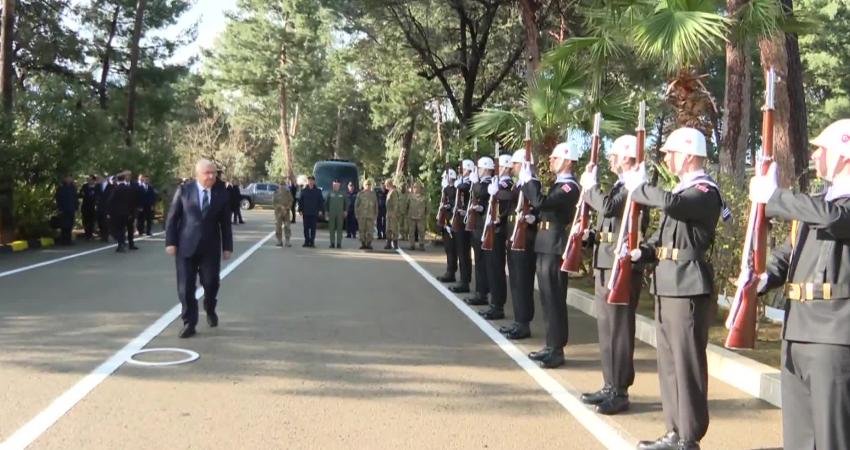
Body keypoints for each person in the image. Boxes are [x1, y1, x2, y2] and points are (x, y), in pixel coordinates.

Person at [752, 119, 850, 450]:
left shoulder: (832, 207)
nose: (815, 155)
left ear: (844, 155)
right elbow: (792, 250)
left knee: (831, 437)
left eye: (823, 149)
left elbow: (832, 219)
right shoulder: (820, 201)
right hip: (798, 329)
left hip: (833, 334)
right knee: (799, 436)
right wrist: (765, 277)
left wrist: (776, 196)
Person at [623, 128, 723, 450]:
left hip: (688, 284)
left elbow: (672, 205)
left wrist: (639, 187)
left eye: (671, 153)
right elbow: (665, 233)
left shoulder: (705, 191)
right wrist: (645, 251)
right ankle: (674, 431)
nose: (666, 158)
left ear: (690, 154)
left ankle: (689, 436)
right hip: (667, 282)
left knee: (686, 364)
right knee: (668, 363)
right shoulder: (682, 190)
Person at [579, 135, 646, 416]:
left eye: (615, 155)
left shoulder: (634, 186)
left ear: (629, 157)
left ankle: (620, 390)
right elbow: (609, 221)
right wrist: (591, 235)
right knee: (606, 328)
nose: (611, 160)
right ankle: (609, 384)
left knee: (619, 329)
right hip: (606, 261)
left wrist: (590, 188)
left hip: (622, 266)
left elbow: (607, 207)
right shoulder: (622, 185)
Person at [519, 142, 581, 369]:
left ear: (567, 160)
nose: (551, 161)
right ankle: (550, 344)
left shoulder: (569, 187)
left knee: (555, 298)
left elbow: (541, 201)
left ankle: (557, 349)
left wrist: (530, 181)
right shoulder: (558, 185)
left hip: (556, 246)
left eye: (555, 158)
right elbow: (543, 209)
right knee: (546, 298)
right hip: (545, 243)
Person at [165, 159, 233, 339]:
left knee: (211, 283)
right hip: (185, 247)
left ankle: (210, 307)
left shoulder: (221, 194)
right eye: (207, 173)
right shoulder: (184, 191)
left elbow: (225, 224)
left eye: (213, 173)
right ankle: (189, 322)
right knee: (185, 288)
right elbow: (172, 218)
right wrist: (170, 242)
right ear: (197, 175)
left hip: (210, 248)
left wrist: (227, 247)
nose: (211, 176)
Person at [500, 150, 537, 340]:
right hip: (514, 237)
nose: (512, 167)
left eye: (515, 164)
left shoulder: (533, 183)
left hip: (525, 239)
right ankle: (518, 320)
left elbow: (538, 205)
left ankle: (524, 323)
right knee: (515, 282)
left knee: (523, 282)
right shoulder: (519, 184)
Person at [478, 154, 514, 321]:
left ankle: (498, 305)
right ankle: (494, 304)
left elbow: (507, 200)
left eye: (501, 166)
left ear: (506, 167)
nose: (497, 169)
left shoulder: (507, 183)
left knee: (496, 269)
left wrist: (497, 192)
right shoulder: (498, 182)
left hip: (499, 231)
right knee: (491, 268)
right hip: (492, 228)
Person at [464, 157, 493, 309]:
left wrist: (475, 182)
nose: (478, 172)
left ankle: (483, 292)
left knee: (483, 262)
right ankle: (480, 291)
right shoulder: (481, 183)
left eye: (480, 169)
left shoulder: (488, 183)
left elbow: (481, 193)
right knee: (479, 262)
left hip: (484, 227)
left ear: (486, 169)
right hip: (478, 226)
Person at [449, 159, 476, 294]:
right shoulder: (464, 182)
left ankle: (465, 281)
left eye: (464, 169)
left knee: (464, 253)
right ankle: (463, 279)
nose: (462, 172)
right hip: (460, 219)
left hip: (466, 221)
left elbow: (464, 189)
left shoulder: (470, 182)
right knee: (461, 252)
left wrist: (458, 183)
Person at [436, 168, 459, 282]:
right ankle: (449, 271)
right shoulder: (446, 190)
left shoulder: (454, 190)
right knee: (448, 249)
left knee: (451, 250)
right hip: (446, 222)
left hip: (450, 222)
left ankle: (451, 272)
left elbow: (453, 204)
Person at [107, 172, 135, 252]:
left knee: (118, 228)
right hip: (126, 212)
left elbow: (110, 201)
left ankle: (121, 244)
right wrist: (130, 212)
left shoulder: (116, 189)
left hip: (117, 212)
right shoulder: (128, 189)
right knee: (123, 228)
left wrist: (109, 211)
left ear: (117, 180)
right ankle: (123, 242)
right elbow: (131, 201)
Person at [298, 176, 324, 247]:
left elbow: (321, 201)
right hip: (306, 213)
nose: (311, 182)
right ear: (308, 182)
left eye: (312, 180)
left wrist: (321, 210)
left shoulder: (318, 191)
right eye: (309, 180)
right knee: (306, 228)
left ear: (314, 182)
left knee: (313, 229)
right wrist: (300, 210)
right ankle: (306, 241)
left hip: (314, 213)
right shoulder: (304, 191)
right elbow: (301, 201)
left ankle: (312, 242)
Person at [355, 179, 378, 250]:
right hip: (361, 216)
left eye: (369, 185)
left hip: (370, 216)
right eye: (366, 185)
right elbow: (356, 205)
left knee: (370, 230)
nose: (368, 186)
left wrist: (376, 215)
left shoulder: (373, 195)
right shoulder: (360, 194)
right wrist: (356, 214)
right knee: (362, 230)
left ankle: (368, 243)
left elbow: (376, 205)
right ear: (364, 186)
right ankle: (363, 243)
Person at [55, 176, 78, 245]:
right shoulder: (61, 188)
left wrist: (76, 207)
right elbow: (58, 199)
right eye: (67, 178)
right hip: (63, 209)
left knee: (70, 225)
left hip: (71, 209)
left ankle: (68, 240)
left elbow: (75, 198)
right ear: (64, 179)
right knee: (64, 225)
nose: (69, 179)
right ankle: (63, 240)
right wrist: (59, 208)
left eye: (70, 178)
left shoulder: (73, 188)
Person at [326, 179, 348, 248]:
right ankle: (332, 243)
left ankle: (339, 243)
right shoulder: (329, 193)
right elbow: (326, 203)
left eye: (337, 185)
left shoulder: (343, 193)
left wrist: (345, 211)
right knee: (331, 229)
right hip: (332, 213)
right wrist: (326, 212)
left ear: (339, 185)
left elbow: (346, 203)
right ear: (333, 185)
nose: (336, 186)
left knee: (339, 229)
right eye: (334, 185)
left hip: (340, 214)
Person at [406, 181, 428, 251]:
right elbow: (407, 205)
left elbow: (427, 207)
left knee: (421, 232)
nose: (415, 189)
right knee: (411, 232)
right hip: (411, 216)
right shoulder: (410, 197)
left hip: (421, 217)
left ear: (420, 188)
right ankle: (412, 245)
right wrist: (406, 214)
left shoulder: (424, 198)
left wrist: (426, 215)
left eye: (417, 187)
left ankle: (421, 245)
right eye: (414, 187)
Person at [273, 179, 294, 247]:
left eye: (283, 185)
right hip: (278, 213)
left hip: (286, 212)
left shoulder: (288, 192)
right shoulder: (276, 192)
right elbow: (274, 203)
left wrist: (287, 207)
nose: (282, 186)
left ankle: (287, 241)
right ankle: (279, 241)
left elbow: (291, 200)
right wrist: (280, 207)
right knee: (278, 227)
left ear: (285, 185)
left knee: (287, 226)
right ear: (279, 185)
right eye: (281, 185)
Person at [79, 175, 98, 240]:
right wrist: (82, 194)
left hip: (93, 206)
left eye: (90, 179)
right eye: (88, 179)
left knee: (92, 221)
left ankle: (90, 233)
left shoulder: (97, 187)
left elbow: (98, 196)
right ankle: (87, 234)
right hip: (85, 206)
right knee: (85, 221)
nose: (89, 181)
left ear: (94, 180)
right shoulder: (85, 186)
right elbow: (80, 194)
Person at [384, 179, 400, 250]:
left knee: (394, 229)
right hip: (388, 213)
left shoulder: (394, 192)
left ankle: (395, 243)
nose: (385, 186)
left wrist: (394, 213)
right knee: (388, 229)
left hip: (393, 213)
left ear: (389, 184)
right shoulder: (389, 192)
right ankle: (388, 243)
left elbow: (395, 204)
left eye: (386, 184)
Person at [96, 175, 112, 242]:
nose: (98, 179)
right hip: (99, 207)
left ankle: (106, 236)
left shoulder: (110, 186)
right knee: (100, 222)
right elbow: (96, 195)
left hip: (107, 207)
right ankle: (102, 235)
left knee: (106, 222)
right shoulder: (97, 186)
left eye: (99, 178)